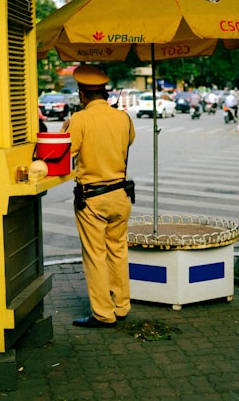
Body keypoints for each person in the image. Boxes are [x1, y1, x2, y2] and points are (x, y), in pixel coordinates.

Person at [62, 65, 135, 328]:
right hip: (120, 195)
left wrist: (65, 129)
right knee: (118, 251)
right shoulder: (124, 118)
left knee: (96, 255)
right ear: (105, 92)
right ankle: (122, 305)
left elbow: (64, 153)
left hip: (92, 198)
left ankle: (103, 313)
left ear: (82, 93)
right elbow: (129, 141)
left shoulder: (79, 119)